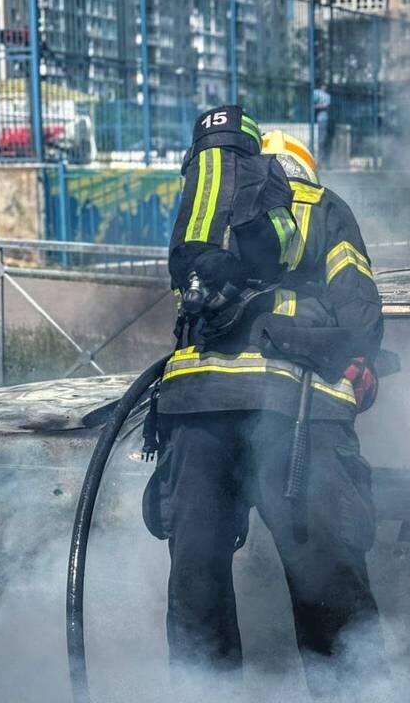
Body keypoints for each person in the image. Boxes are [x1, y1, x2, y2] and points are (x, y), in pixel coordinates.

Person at [143, 113, 384, 694]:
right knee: (325, 581)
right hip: (295, 414)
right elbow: (360, 313)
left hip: (197, 410)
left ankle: (204, 691)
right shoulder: (323, 206)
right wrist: (362, 361)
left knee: (197, 581)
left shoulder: (206, 214)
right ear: (301, 168)